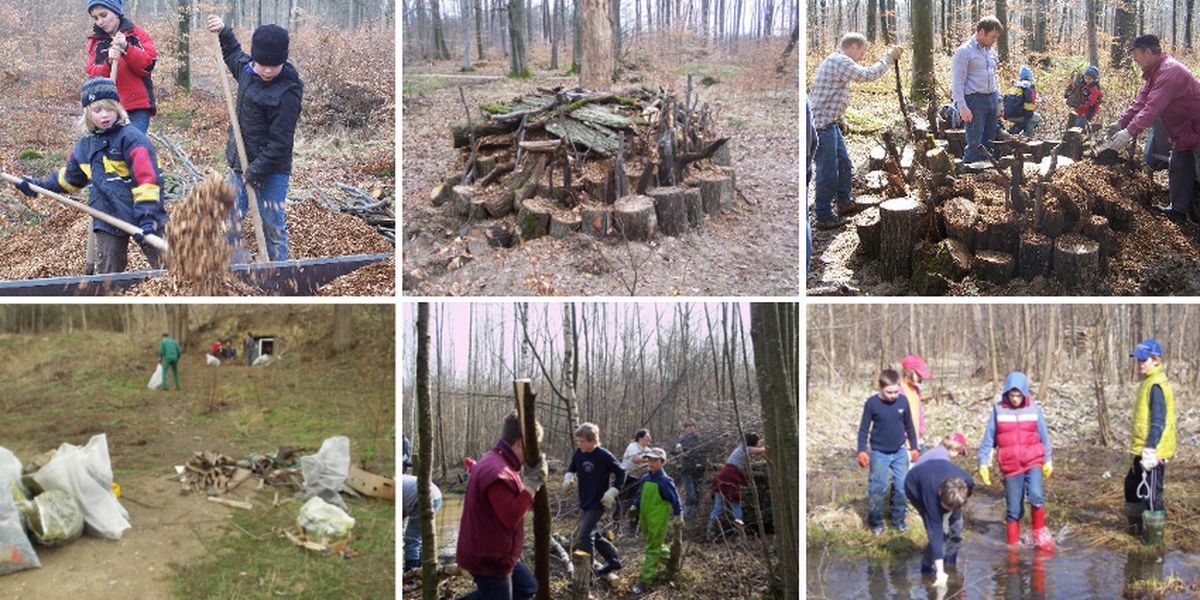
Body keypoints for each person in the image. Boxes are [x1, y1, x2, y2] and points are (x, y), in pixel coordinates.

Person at [12, 78, 167, 274]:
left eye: (109, 109)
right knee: (109, 272)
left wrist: (148, 217)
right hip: (107, 215)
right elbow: (70, 180)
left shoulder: (132, 139)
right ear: (87, 113)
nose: (104, 115)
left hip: (142, 212)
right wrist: (39, 185)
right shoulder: (85, 146)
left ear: (118, 109)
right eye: (97, 110)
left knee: (166, 265)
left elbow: (148, 180)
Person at [206, 16, 304, 262]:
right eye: (262, 64)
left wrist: (255, 172)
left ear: (284, 60)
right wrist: (223, 31)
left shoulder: (289, 91)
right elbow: (232, 53)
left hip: (273, 169)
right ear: (255, 59)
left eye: (275, 64)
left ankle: (279, 271)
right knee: (232, 217)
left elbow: (280, 143)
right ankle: (235, 268)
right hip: (240, 162)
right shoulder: (248, 71)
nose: (268, 70)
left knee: (272, 221)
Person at [1098, 34, 1200, 224]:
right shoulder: (1154, 73)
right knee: (1178, 170)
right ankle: (1177, 211)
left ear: (1147, 51)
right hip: (1182, 133)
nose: (1134, 60)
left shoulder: (1170, 71)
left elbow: (1152, 108)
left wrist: (1128, 133)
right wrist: (1120, 123)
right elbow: (1140, 103)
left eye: (1136, 54)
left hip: (1196, 129)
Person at [808, 33, 902, 229]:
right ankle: (823, 215)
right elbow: (868, 75)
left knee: (844, 163)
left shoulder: (837, 61)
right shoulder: (839, 60)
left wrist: (840, 118)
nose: (862, 57)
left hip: (830, 122)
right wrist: (887, 57)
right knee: (828, 172)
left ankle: (843, 202)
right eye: (862, 52)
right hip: (821, 126)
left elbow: (832, 93)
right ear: (853, 47)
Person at [456, 410, 546, 600]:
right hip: (489, 559)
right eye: (533, 446)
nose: (533, 452)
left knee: (526, 587)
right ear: (521, 443)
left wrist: (530, 490)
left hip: (496, 552)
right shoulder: (498, 471)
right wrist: (532, 484)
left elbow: (510, 501)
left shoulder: (499, 461)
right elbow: (510, 516)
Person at [977, 372, 1054, 551]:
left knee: (1036, 495)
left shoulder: (1034, 409)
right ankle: (1013, 547)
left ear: (1025, 394)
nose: (1015, 399)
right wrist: (983, 463)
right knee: (1013, 509)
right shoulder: (998, 410)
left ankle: (1039, 536)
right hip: (1010, 465)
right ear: (1006, 394)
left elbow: (1044, 436)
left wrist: (1048, 460)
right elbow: (988, 439)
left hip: (1033, 460)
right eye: (1012, 395)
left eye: (1018, 395)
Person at [856, 369, 919, 536]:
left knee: (902, 488)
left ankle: (898, 519)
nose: (893, 395)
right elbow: (863, 429)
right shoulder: (872, 404)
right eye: (889, 392)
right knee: (878, 488)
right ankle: (875, 522)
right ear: (881, 388)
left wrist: (914, 447)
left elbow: (910, 426)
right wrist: (861, 451)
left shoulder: (903, 402)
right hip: (879, 453)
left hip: (899, 451)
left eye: (896, 391)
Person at [905, 435, 974, 589]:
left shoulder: (966, 481)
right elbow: (934, 531)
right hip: (915, 487)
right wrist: (941, 573)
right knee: (939, 531)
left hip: (948, 486)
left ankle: (950, 563)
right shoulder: (930, 495)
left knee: (957, 527)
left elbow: (966, 492)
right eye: (945, 507)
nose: (947, 511)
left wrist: (956, 504)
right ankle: (928, 568)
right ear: (940, 495)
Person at [1124, 339, 1176, 536]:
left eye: (1143, 360)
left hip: (1152, 451)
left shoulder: (1156, 386)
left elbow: (1158, 420)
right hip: (1140, 448)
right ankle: (1134, 530)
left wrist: (1151, 448)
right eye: (1138, 360)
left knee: (1152, 496)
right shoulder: (1147, 382)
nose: (1140, 364)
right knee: (1131, 486)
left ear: (1156, 360)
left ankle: (1152, 543)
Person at [84, 1, 157, 133]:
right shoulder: (97, 43)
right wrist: (109, 62)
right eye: (95, 18)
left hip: (136, 107)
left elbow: (147, 66)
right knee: (111, 149)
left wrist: (127, 48)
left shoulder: (136, 35)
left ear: (116, 12)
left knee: (133, 146)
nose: (100, 21)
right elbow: (93, 75)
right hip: (107, 109)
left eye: (103, 15)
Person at [563, 422, 625, 576]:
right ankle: (614, 560)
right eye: (578, 441)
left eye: (582, 441)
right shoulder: (579, 453)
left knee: (584, 535)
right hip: (584, 500)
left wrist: (613, 491)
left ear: (593, 441)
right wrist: (568, 477)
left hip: (599, 501)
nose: (579, 444)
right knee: (593, 534)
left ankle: (587, 575)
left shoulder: (604, 455)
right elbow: (572, 467)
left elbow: (621, 473)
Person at [628, 447, 682, 594]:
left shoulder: (665, 481)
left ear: (663, 462)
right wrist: (635, 506)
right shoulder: (645, 478)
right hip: (645, 518)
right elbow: (640, 496)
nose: (651, 462)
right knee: (654, 545)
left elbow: (675, 499)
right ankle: (673, 564)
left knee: (652, 549)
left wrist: (679, 515)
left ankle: (644, 581)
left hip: (658, 519)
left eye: (655, 460)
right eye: (649, 459)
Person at [951, 17, 1003, 163]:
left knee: (989, 143)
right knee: (975, 144)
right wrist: (962, 106)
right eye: (992, 36)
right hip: (974, 101)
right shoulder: (964, 52)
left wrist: (998, 100)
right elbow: (957, 81)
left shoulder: (991, 52)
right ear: (981, 32)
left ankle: (986, 178)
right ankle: (969, 179)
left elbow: (994, 76)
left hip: (992, 99)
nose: (994, 40)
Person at [708, 431, 768, 540]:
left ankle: (711, 532)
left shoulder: (741, 448)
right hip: (729, 477)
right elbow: (763, 450)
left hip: (721, 475)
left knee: (718, 507)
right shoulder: (746, 449)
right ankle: (740, 533)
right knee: (735, 504)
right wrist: (769, 444)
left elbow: (759, 451)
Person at [401, 474, 442, 572]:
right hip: (435, 495)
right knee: (417, 539)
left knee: (411, 539)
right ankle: (422, 569)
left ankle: (411, 573)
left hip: (426, 498)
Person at [616, 429, 653, 531]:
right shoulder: (633, 446)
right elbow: (635, 460)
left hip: (639, 479)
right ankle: (616, 527)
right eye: (647, 436)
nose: (649, 438)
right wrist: (649, 459)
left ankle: (633, 528)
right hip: (626, 477)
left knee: (635, 503)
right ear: (640, 438)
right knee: (621, 502)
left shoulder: (648, 450)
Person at [669, 419, 705, 517]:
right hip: (687, 470)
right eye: (687, 426)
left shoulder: (700, 439)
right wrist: (680, 450)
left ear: (695, 426)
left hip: (700, 470)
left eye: (691, 425)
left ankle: (694, 517)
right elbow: (671, 449)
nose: (690, 428)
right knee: (690, 495)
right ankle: (685, 517)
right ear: (685, 428)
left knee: (698, 494)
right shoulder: (682, 439)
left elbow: (707, 450)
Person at [900, 355, 932, 452]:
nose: (921, 378)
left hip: (918, 439)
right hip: (905, 442)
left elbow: (919, 412)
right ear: (908, 372)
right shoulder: (899, 390)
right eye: (918, 375)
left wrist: (921, 430)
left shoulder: (916, 389)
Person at [1003, 66, 1042, 137]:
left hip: (1007, 115)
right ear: (1029, 77)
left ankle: (1013, 131)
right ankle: (1027, 137)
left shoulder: (1013, 86)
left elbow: (1005, 100)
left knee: (1023, 120)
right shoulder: (1029, 86)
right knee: (1037, 118)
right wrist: (1028, 118)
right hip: (1019, 115)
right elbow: (1029, 103)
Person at [1065, 65, 1104, 130]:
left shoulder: (1094, 89)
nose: (1087, 80)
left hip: (1088, 110)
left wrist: (1083, 106)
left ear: (1094, 79)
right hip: (1080, 108)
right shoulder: (1083, 85)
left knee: (1079, 124)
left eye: (1089, 79)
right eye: (1086, 78)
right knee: (1074, 120)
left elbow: (1091, 101)